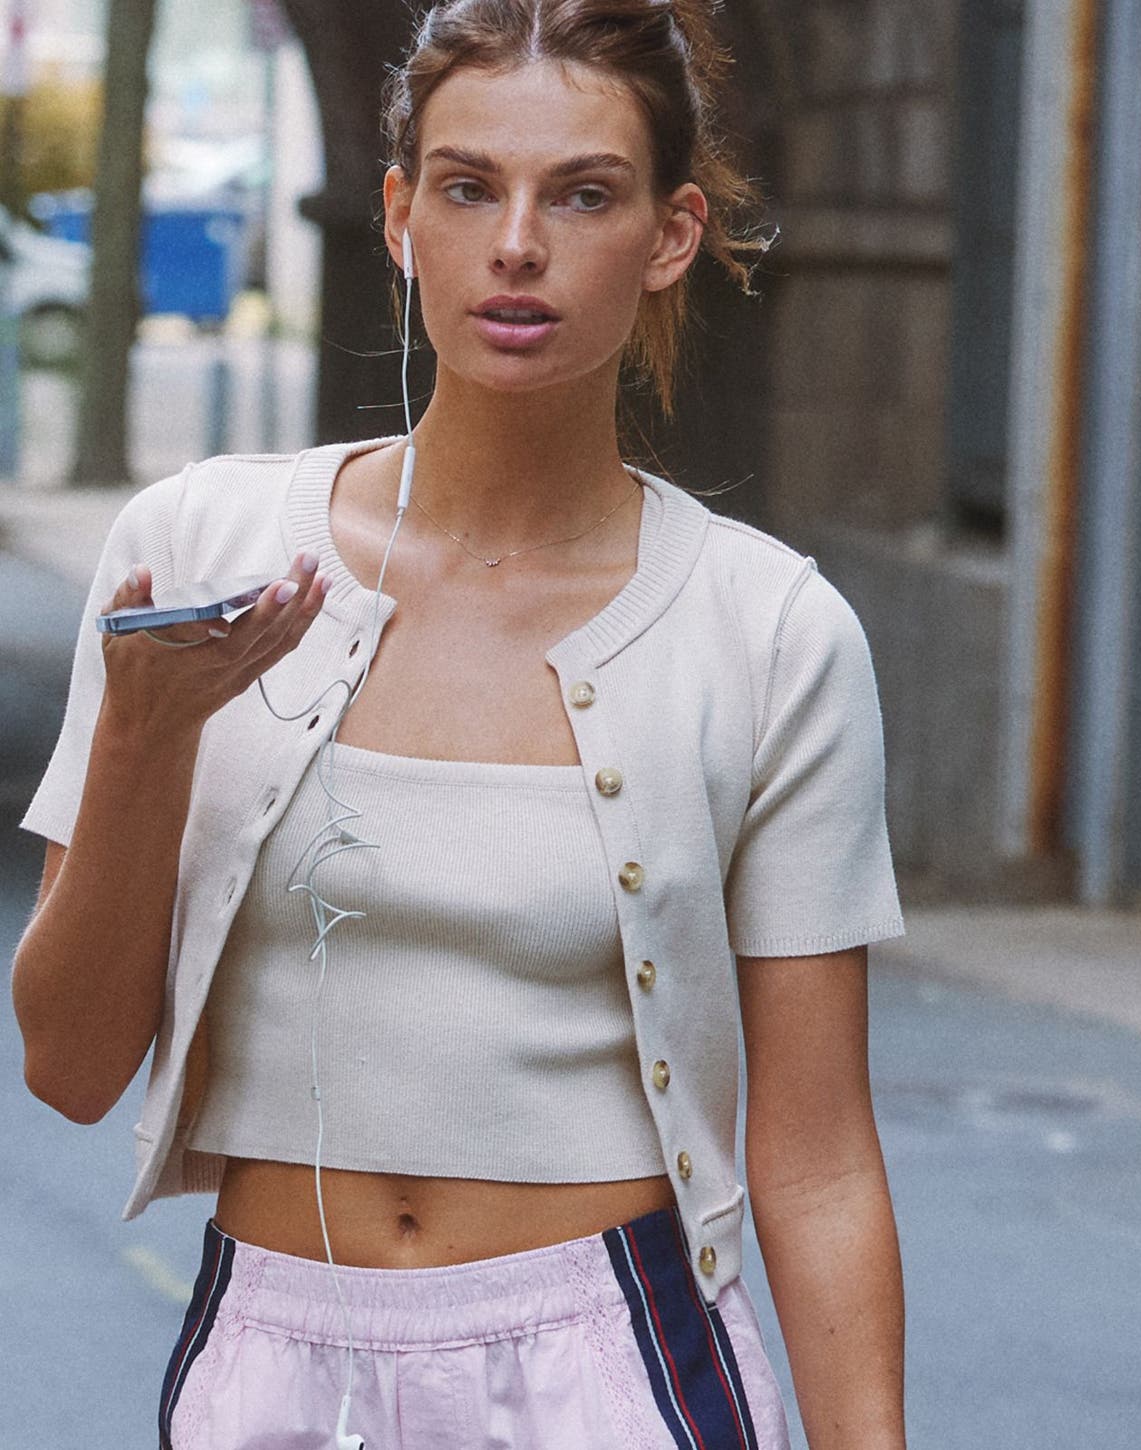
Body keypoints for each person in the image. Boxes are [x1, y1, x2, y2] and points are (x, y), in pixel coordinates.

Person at [11, 2, 909, 1447]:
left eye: (585, 194)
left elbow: (814, 1158)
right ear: (398, 214)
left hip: (610, 1364)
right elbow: (65, 1065)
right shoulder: (198, 544)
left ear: (672, 235)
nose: (517, 246)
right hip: (269, 1357)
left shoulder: (768, 630)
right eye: (469, 185)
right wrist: (144, 740)